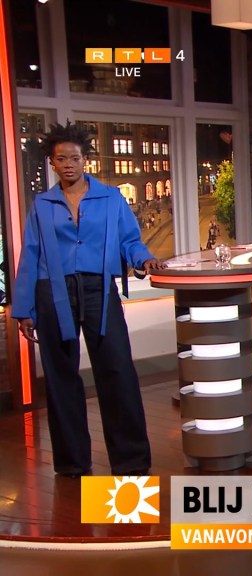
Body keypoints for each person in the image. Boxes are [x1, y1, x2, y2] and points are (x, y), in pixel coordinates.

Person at [11, 121, 164, 479]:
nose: (68, 164)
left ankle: (131, 461)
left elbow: (129, 240)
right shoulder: (42, 205)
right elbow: (30, 254)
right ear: (52, 163)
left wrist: (144, 259)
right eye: (61, 159)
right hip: (52, 293)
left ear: (86, 160)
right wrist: (24, 309)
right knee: (61, 378)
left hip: (99, 290)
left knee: (117, 371)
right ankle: (72, 464)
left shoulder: (111, 198)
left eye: (74, 158)